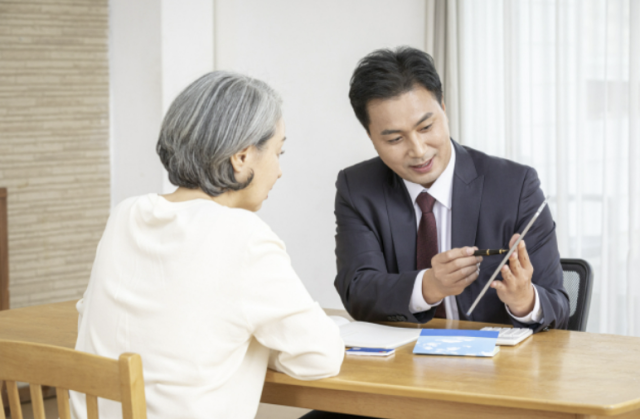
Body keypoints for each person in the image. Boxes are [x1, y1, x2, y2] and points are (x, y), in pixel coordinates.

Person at [71, 71, 344, 419]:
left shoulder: (126, 215)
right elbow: (319, 357)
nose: (278, 171)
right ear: (242, 157)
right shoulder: (243, 235)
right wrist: (256, 340)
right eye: (278, 151)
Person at [334, 47, 570, 331]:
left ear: (443, 108)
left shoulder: (516, 186)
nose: (418, 151)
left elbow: (558, 305)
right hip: (402, 367)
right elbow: (357, 291)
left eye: (426, 127)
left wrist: (524, 300)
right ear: (370, 135)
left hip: (500, 368)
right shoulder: (358, 188)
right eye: (395, 139)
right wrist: (429, 286)